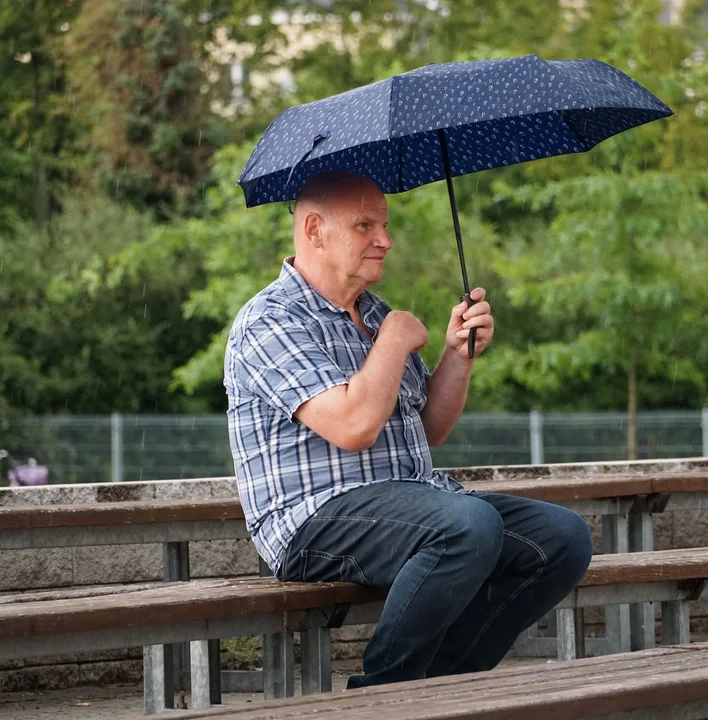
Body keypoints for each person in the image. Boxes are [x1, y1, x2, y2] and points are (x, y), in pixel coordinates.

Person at [223, 171, 592, 689]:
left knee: (561, 538)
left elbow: (429, 429)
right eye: (364, 225)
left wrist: (456, 354)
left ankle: (441, 685)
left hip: (410, 504)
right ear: (313, 230)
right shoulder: (270, 320)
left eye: (386, 225)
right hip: (312, 520)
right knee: (467, 525)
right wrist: (395, 338)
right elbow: (353, 425)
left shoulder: (372, 313)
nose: (385, 240)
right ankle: (383, 693)